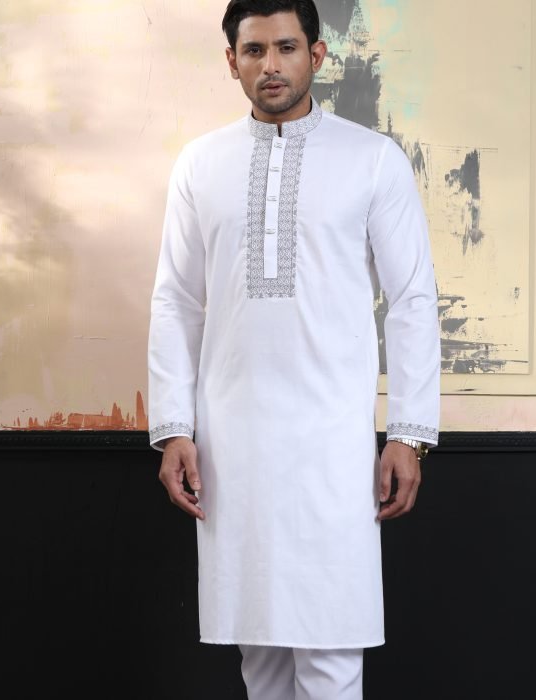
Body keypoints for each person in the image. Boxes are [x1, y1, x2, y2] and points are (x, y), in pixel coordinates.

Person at [147, 0, 440, 697]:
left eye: (286, 47)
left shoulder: (372, 160)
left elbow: (411, 299)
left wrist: (408, 433)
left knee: (331, 652)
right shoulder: (200, 164)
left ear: (317, 55)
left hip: (332, 444)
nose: (270, 65)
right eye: (254, 51)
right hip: (232, 442)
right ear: (232, 62)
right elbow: (176, 300)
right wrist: (174, 428)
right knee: (260, 656)